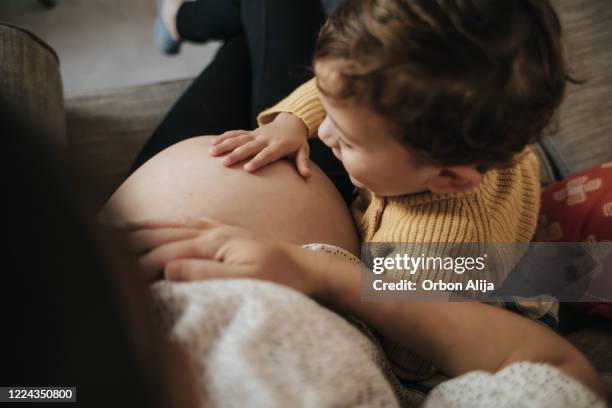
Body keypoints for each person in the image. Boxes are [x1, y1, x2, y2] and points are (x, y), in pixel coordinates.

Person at [104, 0, 607, 405]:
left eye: (343, 138)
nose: (325, 134)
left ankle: (185, 16)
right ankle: (187, 16)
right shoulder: (421, 132)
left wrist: (317, 263)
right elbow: (336, 92)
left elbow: (408, 344)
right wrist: (293, 121)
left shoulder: (434, 257)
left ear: (449, 180)